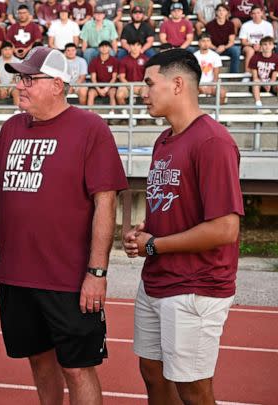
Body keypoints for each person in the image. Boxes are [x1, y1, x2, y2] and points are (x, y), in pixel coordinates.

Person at [0, 45, 128, 405]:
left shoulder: (91, 128)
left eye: (29, 78)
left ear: (58, 84)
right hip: (17, 275)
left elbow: (105, 202)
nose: (20, 85)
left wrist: (97, 271)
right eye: (19, 78)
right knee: (39, 362)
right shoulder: (12, 127)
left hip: (68, 278)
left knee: (77, 369)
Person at [123, 48, 243, 405]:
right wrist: (147, 230)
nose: (143, 92)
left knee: (192, 388)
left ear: (177, 84)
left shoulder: (212, 141)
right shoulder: (164, 139)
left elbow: (225, 229)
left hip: (195, 286)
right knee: (152, 373)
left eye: (149, 83)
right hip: (158, 279)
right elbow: (176, 206)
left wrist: (153, 244)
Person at [239, 6, 274, 77]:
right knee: (250, 51)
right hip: (249, 46)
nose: (256, 15)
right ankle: (247, 75)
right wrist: (253, 45)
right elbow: (243, 41)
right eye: (254, 13)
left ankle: (266, 74)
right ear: (251, 15)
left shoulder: (268, 25)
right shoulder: (245, 25)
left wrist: (260, 46)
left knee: (266, 48)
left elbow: (269, 40)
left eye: (258, 13)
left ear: (262, 13)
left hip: (263, 45)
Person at [205, 4, 240, 74]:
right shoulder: (209, 25)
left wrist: (224, 47)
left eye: (224, 10)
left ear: (227, 12)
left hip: (226, 48)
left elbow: (232, 41)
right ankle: (208, 74)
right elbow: (207, 41)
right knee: (205, 50)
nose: (221, 12)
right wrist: (215, 48)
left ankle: (234, 75)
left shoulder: (230, 24)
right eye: (219, 10)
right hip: (213, 48)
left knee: (236, 50)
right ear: (216, 12)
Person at [194, 33, 227, 105]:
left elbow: (216, 74)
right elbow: (193, 74)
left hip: (211, 84)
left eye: (208, 41)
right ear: (199, 43)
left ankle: (217, 112)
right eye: (203, 41)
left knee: (222, 93)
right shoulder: (194, 56)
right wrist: (199, 86)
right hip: (198, 85)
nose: (206, 43)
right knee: (190, 93)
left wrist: (212, 85)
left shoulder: (215, 56)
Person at [249, 36, 278, 110]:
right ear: (261, 46)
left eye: (269, 44)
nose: (267, 46)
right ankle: (259, 107)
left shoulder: (276, 58)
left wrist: (269, 84)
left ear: (273, 46)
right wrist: (264, 84)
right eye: (265, 44)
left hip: (271, 83)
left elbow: (274, 76)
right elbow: (255, 77)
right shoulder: (255, 57)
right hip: (259, 84)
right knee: (255, 83)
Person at [116, 39, 148, 108]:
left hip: (142, 83)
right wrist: (131, 87)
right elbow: (122, 77)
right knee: (119, 95)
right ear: (129, 47)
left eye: (138, 45)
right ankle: (125, 113)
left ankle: (142, 114)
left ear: (141, 47)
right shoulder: (124, 60)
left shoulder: (146, 59)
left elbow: (147, 76)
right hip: (127, 84)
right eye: (133, 45)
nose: (135, 47)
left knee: (147, 94)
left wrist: (141, 85)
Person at [87, 40, 119, 109]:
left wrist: (106, 88)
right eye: (102, 47)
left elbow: (114, 78)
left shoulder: (114, 61)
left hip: (110, 86)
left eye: (106, 46)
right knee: (91, 93)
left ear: (110, 48)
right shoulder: (94, 61)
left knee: (112, 93)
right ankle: (89, 115)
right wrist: (98, 89)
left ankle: (112, 114)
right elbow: (93, 78)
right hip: (97, 86)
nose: (104, 48)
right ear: (99, 49)